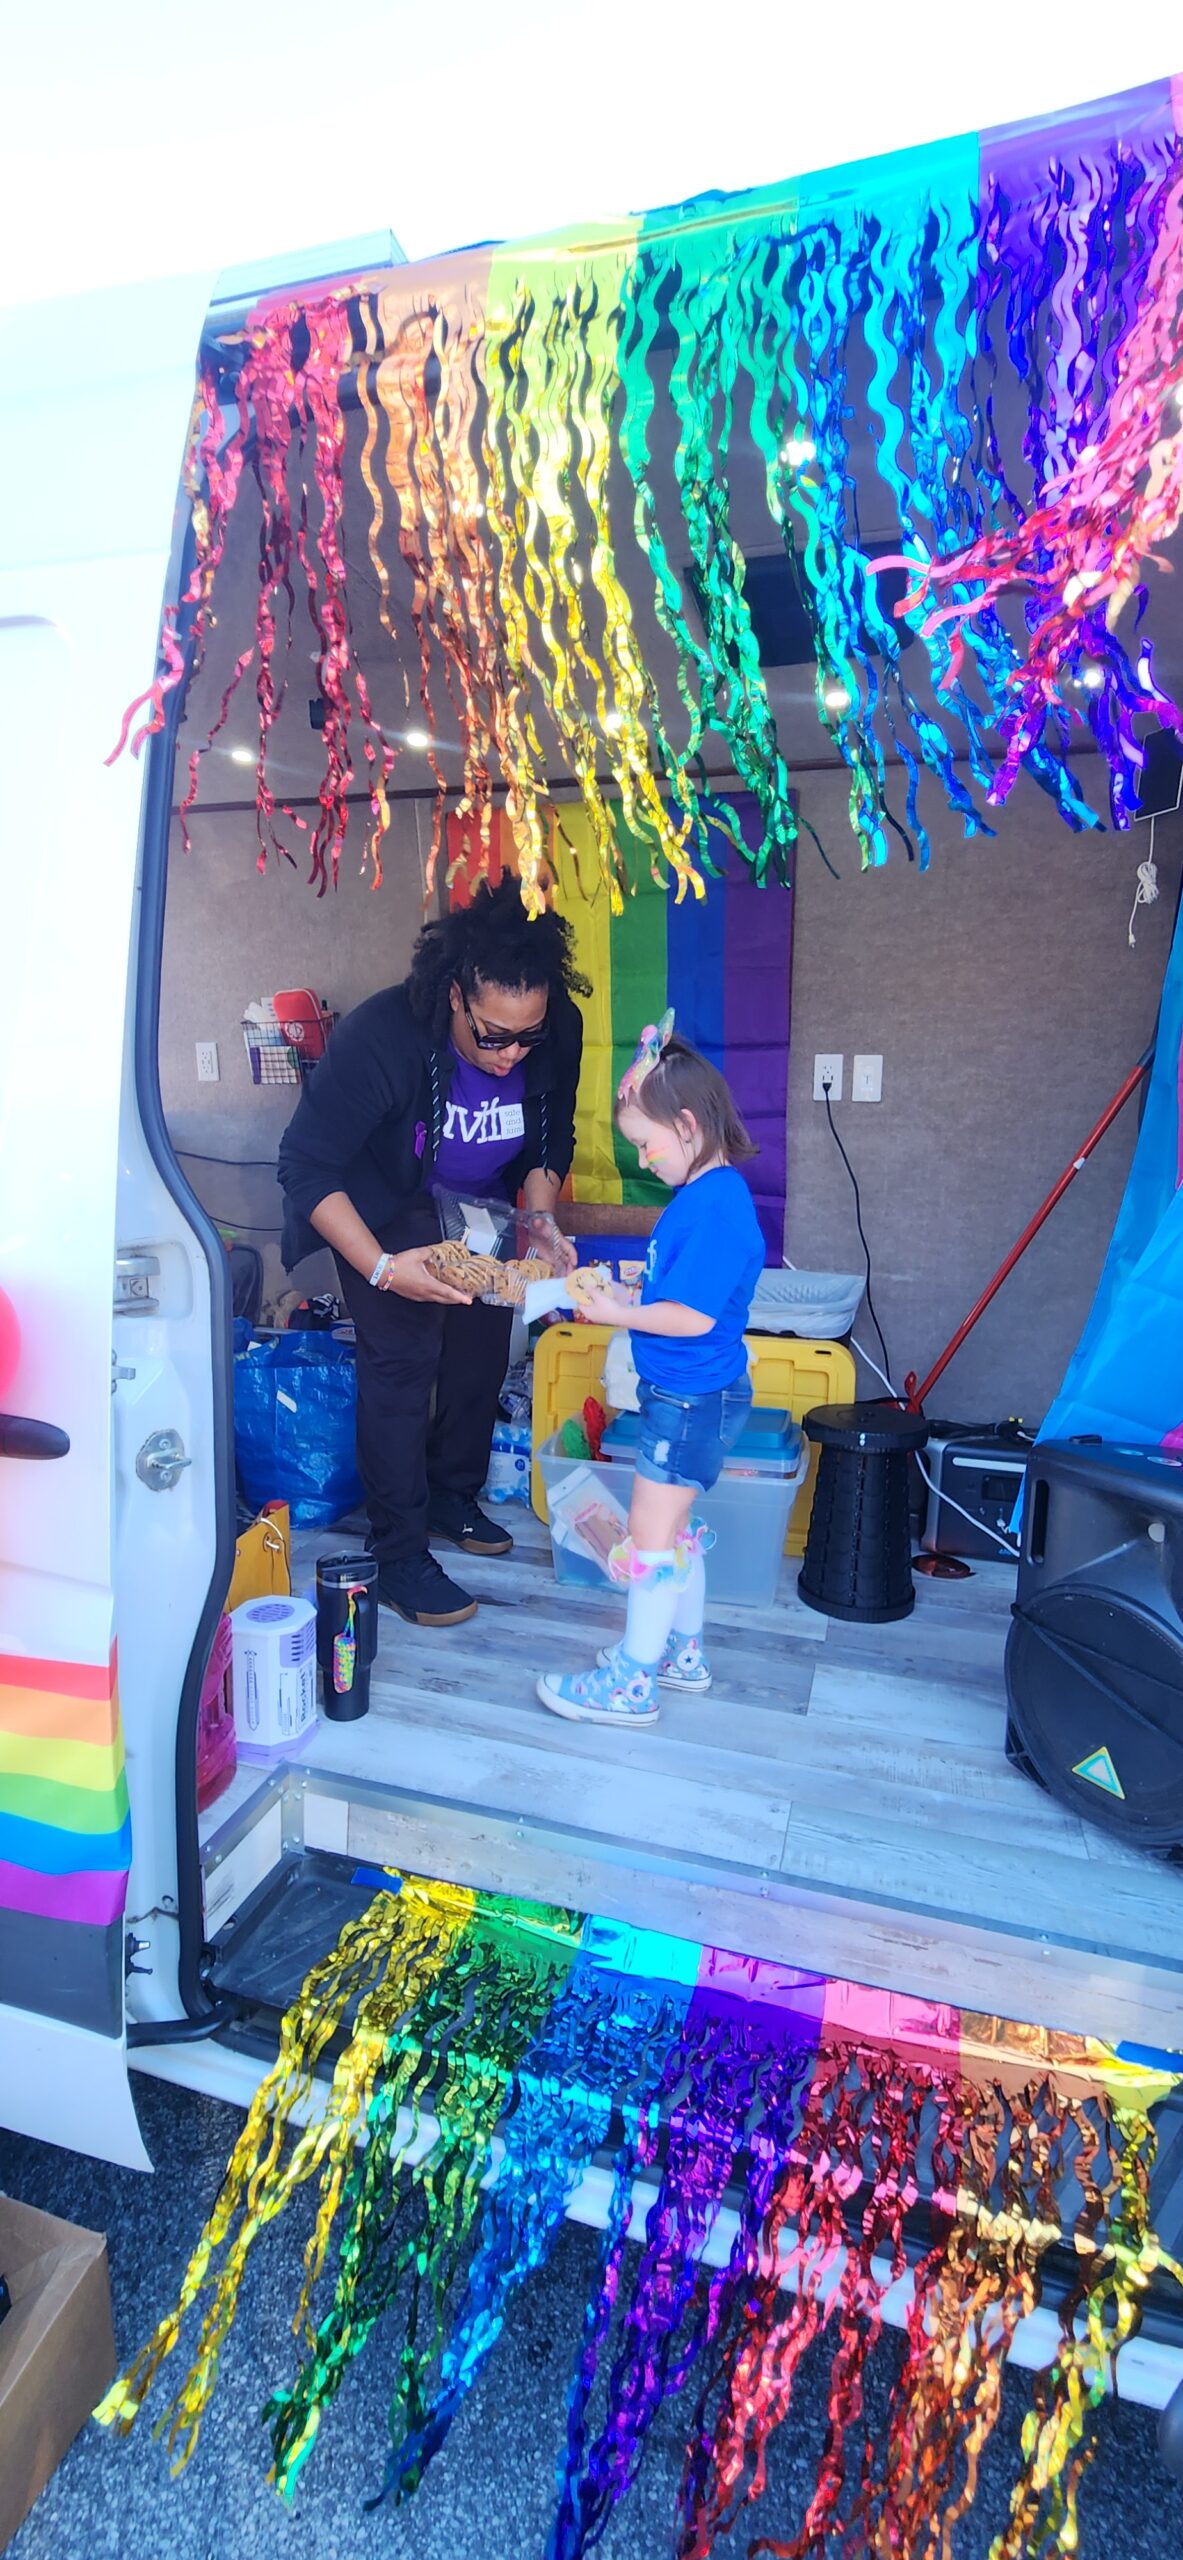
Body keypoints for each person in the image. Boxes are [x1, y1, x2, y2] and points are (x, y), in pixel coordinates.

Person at [278, 879, 586, 1627]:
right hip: (384, 1206)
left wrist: (540, 1223)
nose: (511, 1054)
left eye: (528, 1037)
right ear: (454, 995)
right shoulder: (382, 1037)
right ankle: (396, 1554)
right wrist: (383, 1268)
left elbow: (552, 1136)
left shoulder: (553, 1028)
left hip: (480, 1205)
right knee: (402, 1362)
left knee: (483, 1344)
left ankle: (452, 1495)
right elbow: (305, 1165)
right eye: (493, 1036)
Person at [537, 1014, 763, 1727]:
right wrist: (629, 1293)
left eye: (645, 1142)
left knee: (650, 1539)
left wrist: (618, 1315)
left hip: (690, 1399)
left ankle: (632, 1682)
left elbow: (692, 1317)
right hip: (692, 1394)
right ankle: (681, 1654)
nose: (641, 1159)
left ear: (688, 1126)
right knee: (674, 1529)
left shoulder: (716, 1207)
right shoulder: (703, 1199)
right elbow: (679, 1292)